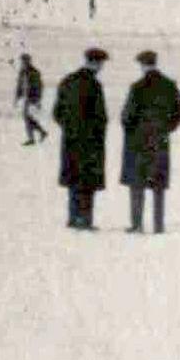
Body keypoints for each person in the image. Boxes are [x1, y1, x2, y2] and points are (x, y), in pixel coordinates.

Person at [121, 50, 180, 234]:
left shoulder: (137, 87)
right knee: (158, 185)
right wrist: (166, 128)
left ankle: (137, 224)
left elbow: (127, 116)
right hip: (160, 140)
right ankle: (158, 225)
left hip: (139, 141)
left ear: (142, 65)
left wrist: (132, 130)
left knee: (137, 184)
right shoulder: (169, 85)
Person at [53, 48, 109, 230]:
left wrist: (69, 128)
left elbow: (57, 113)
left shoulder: (67, 81)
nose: (101, 67)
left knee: (73, 180)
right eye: (101, 64)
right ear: (96, 63)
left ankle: (72, 218)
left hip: (70, 140)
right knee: (88, 182)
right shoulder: (94, 85)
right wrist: (96, 134)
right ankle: (85, 220)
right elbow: (101, 117)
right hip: (90, 142)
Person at [14, 54, 49, 145]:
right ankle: (41, 132)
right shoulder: (22, 72)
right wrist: (17, 97)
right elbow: (19, 86)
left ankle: (33, 138)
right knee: (27, 117)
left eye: (24, 61)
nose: (23, 63)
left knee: (26, 117)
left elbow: (39, 86)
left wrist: (38, 99)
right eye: (22, 61)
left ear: (29, 61)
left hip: (32, 97)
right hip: (26, 97)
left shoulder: (34, 72)